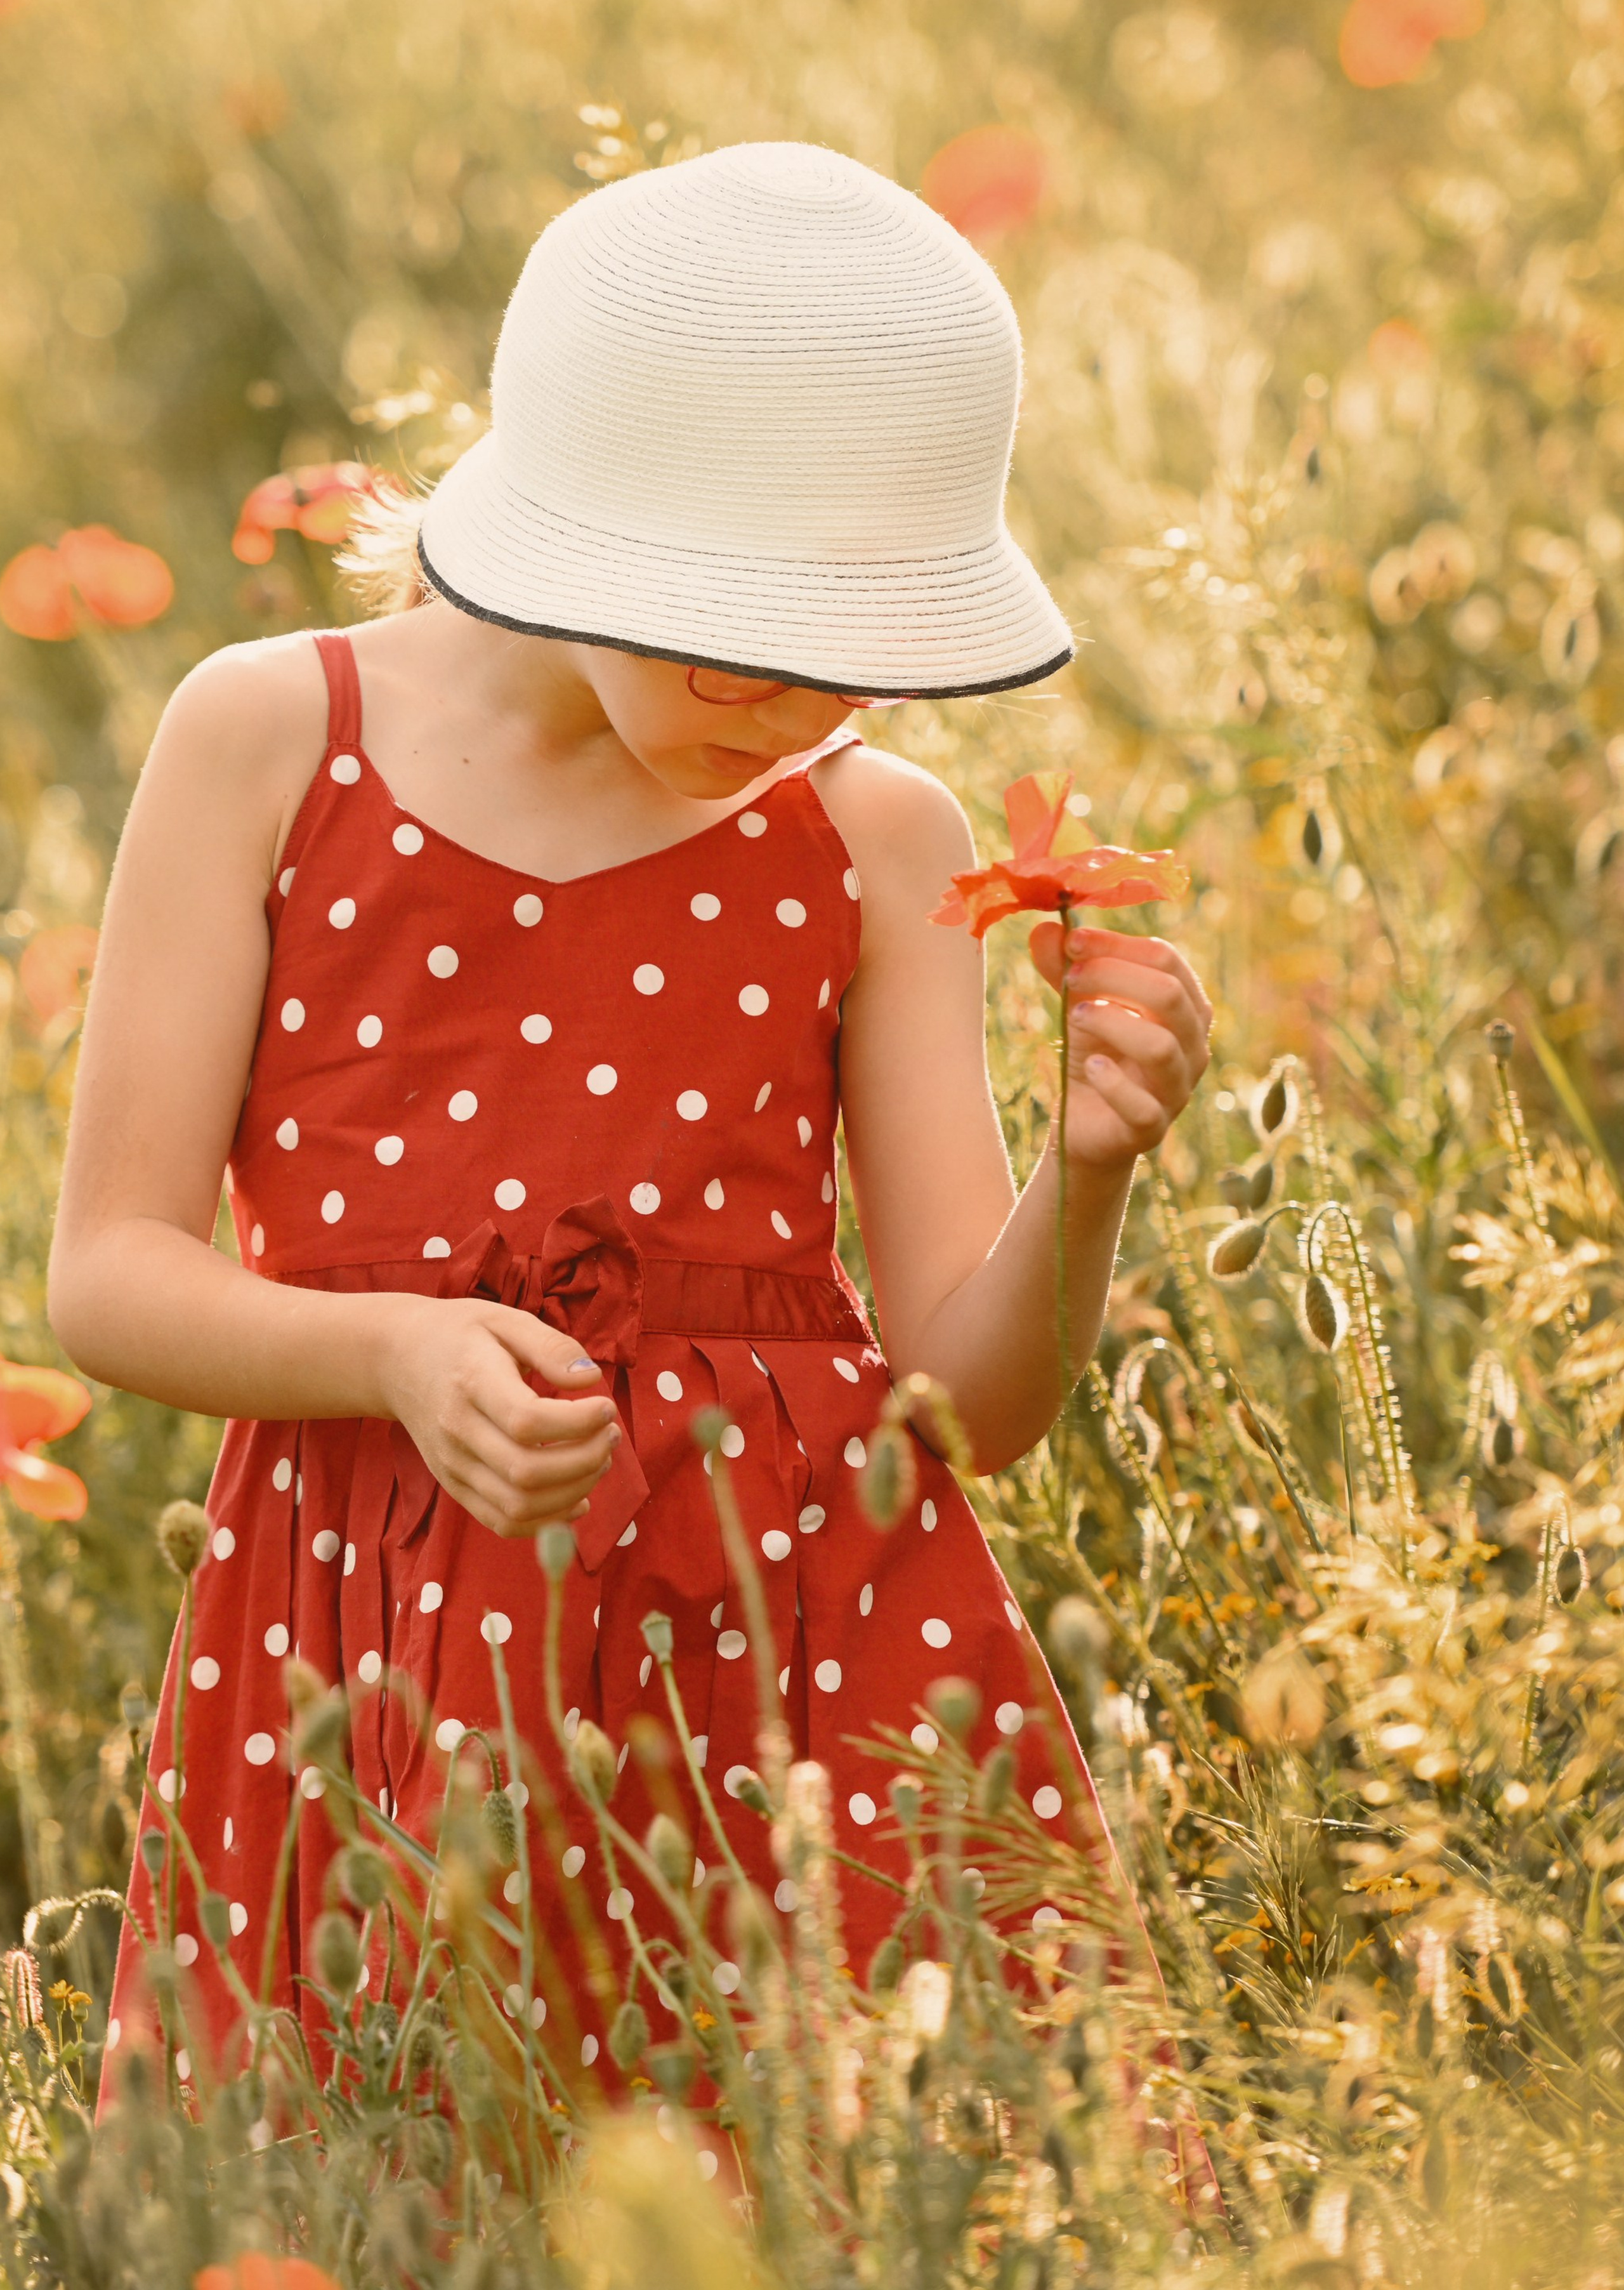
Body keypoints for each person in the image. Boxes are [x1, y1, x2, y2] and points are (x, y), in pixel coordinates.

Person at [48, 142, 1211, 2093]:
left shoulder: (869, 839)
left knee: (831, 2163)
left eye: (848, 659)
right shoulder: (270, 737)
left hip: (784, 1673)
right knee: (400, 2152)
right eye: (734, 637)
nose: (784, 709)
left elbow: (966, 1414)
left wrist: (1090, 1174)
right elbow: (111, 1274)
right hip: (369, 1644)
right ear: (578, 539)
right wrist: (389, 1351)